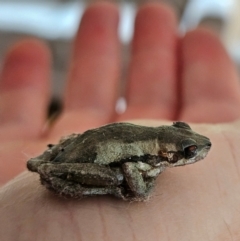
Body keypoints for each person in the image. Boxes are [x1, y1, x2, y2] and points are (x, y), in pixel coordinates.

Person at [1, 2, 240, 240]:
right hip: (94, 158)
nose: (197, 150)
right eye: (189, 150)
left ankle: (48, 162)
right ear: (168, 153)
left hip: (91, 145)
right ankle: (53, 168)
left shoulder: (152, 142)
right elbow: (130, 170)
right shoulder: (146, 161)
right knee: (117, 177)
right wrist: (142, 188)